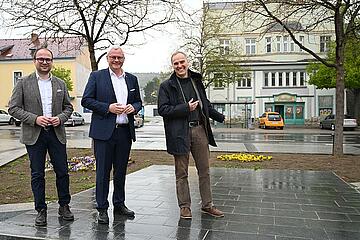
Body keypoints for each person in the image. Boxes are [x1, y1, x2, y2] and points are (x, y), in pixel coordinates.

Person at [8, 47, 74, 226]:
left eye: (48, 59)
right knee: (37, 174)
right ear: (34, 61)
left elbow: (68, 107)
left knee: (62, 171)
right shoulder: (23, 82)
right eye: (41, 59)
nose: (45, 62)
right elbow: (13, 108)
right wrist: (35, 119)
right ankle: (41, 210)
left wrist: (59, 119)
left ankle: (64, 206)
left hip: (56, 134)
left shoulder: (60, 83)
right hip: (34, 135)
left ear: (52, 62)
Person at [157, 51, 225, 219]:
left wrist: (220, 117)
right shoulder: (167, 86)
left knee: (205, 170)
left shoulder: (196, 81)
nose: (180, 66)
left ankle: (207, 205)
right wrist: (185, 108)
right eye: (176, 63)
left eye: (182, 62)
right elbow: (163, 109)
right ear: (172, 66)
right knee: (181, 172)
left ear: (187, 62)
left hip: (199, 130)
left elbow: (205, 104)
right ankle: (184, 206)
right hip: (179, 133)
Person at [81, 45, 142, 224]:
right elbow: (86, 100)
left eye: (119, 57)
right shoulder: (97, 76)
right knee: (102, 173)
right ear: (107, 58)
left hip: (124, 132)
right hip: (103, 133)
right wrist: (107, 108)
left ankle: (119, 204)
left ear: (124, 59)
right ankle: (101, 208)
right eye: (113, 57)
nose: (116, 60)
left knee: (121, 171)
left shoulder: (131, 79)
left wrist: (134, 107)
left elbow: (138, 101)